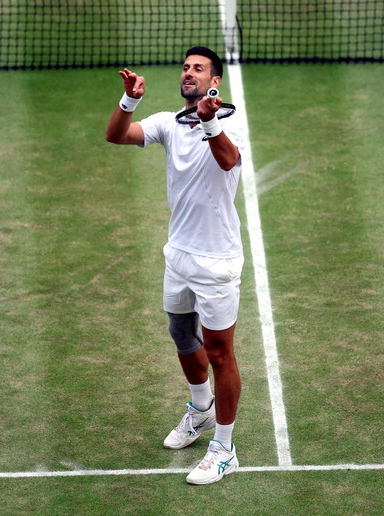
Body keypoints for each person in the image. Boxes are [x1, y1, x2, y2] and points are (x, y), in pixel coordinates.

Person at [105, 46, 245, 485]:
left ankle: (224, 449)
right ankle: (200, 410)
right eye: (185, 67)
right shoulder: (167, 121)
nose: (189, 73)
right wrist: (130, 100)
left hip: (217, 260)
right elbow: (116, 135)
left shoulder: (231, 122)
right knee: (181, 332)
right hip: (179, 253)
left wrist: (207, 120)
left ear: (214, 83)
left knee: (220, 352)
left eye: (199, 69)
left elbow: (228, 160)